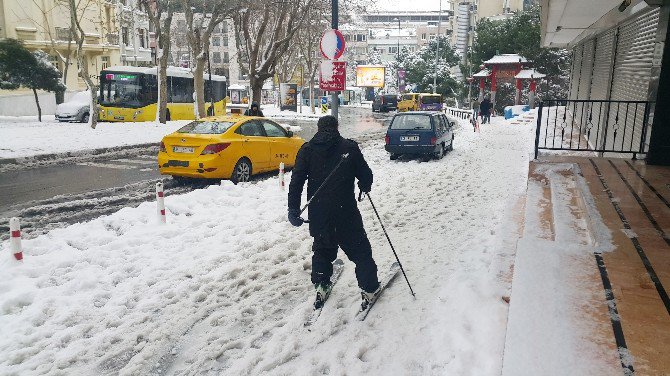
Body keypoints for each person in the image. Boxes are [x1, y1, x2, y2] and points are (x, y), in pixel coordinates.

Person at [287, 115, 380, 311]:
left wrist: (293, 209)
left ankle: (321, 285)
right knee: (360, 252)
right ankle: (370, 289)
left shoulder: (307, 150)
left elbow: (296, 182)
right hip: (346, 213)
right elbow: (366, 175)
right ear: (337, 127)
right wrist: (365, 185)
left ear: (318, 128)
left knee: (322, 250)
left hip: (319, 214)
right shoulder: (349, 148)